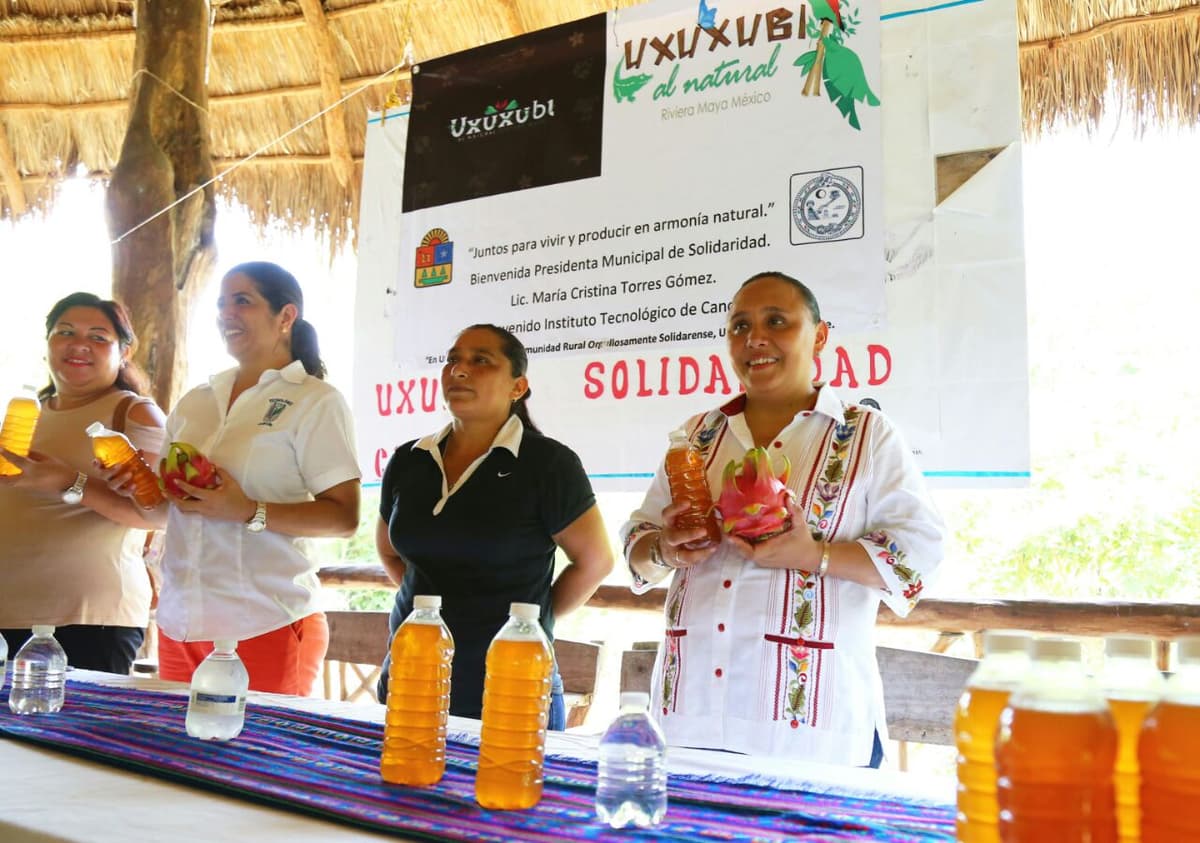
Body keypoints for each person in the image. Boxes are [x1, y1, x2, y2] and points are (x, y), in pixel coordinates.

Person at [621, 271, 945, 767]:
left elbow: (919, 556)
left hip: (809, 738)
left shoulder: (866, 434)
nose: (755, 339)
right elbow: (638, 543)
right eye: (739, 326)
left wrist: (815, 555)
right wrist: (665, 549)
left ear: (819, 335)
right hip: (689, 719)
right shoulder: (697, 436)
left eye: (777, 321)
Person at [376, 324, 614, 728]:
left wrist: (529, 618)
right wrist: (432, 602)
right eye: (453, 359)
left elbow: (596, 562)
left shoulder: (548, 464)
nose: (459, 370)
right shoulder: (409, 459)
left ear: (517, 386)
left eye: (481, 361)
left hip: (511, 693)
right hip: (409, 684)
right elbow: (388, 550)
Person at [149, 262, 361, 695]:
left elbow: (343, 518)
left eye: (242, 301)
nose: (226, 313)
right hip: (178, 623)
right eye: (221, 303)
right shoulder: (195, 402)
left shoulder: (315, 401)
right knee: (173, 743)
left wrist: (248, 510)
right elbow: (162, 508)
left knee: (258, 744)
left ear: (286, 316)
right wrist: (126, 479)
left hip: (264, 622)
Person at [0, 292, 166, 674]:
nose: (78, 345)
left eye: (98, 337)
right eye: (65, 332)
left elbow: (159, 514)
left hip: (89, 618)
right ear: (47, 343)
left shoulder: (133, 412)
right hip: (9, 609)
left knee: (73, 716)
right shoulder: (26, 413)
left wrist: (69, 482)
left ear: (124, 352)